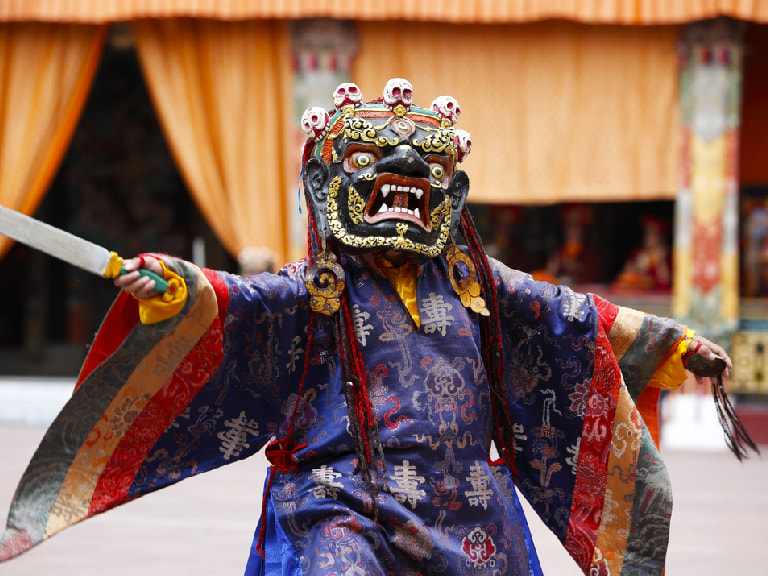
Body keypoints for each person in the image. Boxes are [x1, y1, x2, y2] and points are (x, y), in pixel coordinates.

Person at [0, 79, 747, 576]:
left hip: (465, 498)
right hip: (341, 497)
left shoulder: (473, 281)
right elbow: (232, 302)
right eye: (368, 159)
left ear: (447, 195)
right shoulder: (312, 291)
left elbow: (575, 318)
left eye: (424, 167)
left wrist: (680, 348)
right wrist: (174, 287)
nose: (399, 168)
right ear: (327, 186)